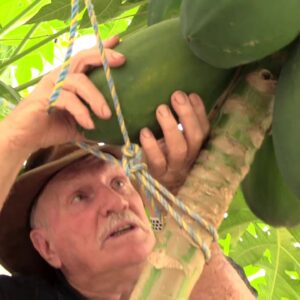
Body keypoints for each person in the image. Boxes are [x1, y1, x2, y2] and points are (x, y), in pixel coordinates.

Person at [0, 36, 256, 299]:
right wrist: (15, 138)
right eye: (80, 197)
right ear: (46, 247)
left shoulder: (204, 272)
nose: (117, 202)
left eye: (118, 183)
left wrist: (179, 202)